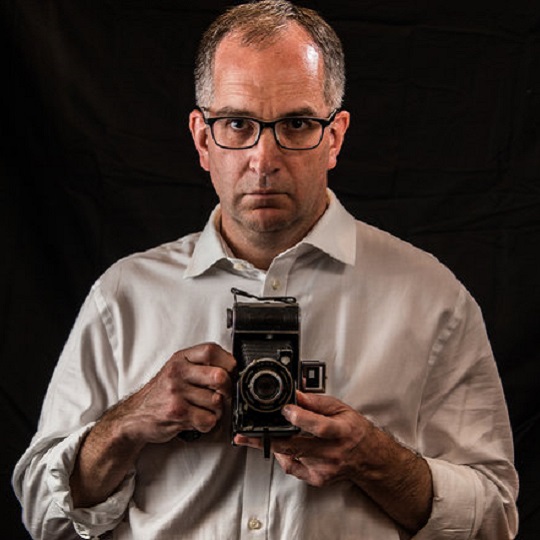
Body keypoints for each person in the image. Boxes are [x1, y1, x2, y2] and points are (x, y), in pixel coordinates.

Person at [13, 1, 518, 538]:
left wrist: (374, 459)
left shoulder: (431, 297)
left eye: (297, 124)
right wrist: (127, 424)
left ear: (335, 136)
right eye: (237, 123)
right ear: (203, 139)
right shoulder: (124, 297)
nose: (264, 157)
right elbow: (43, 517)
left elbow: (495, 518)